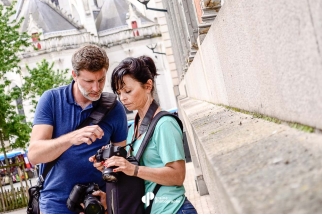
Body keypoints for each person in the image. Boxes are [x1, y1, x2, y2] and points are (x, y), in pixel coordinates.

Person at [90, 56, 197, 214]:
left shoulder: (164, 124)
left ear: (148, 85)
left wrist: (133, 169)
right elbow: (139, 178)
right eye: (119, 93)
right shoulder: (133, 127)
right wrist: (110, 167)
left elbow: (178, 175)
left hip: (174, 210)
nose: (122, 98)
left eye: (128, 91)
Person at [27, 45, 127, 214]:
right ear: (74, 75)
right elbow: (35, 155)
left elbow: (122, 165)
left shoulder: (114, 109)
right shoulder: (51, 100)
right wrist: (72, 138)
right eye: (89, 81)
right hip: (55, 204)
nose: (96, 88)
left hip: (97, 203)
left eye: (101, 80)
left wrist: (109, 197)